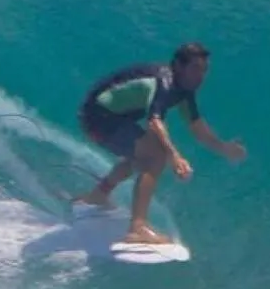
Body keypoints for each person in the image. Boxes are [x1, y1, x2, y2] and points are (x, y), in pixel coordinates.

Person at [72, 42, 246, 244]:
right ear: (178, 66)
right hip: (97, 118)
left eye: (204, 70)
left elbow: (195, 125)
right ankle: (137, 228)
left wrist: (223, 147)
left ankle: (97, 196)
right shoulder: (165, 83)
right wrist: (174, 156)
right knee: (155, 156)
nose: (201, 76)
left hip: (111, 117)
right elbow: (155, 121)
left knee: (140, 157)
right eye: (195, 69)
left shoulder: (184, 89)